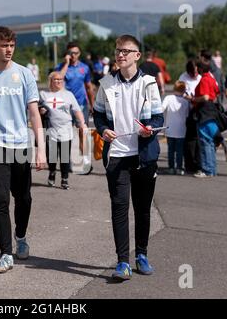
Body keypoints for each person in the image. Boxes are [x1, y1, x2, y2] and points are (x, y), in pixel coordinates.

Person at [0, 26, 46, 273]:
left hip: (21, 144)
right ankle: (5, 253)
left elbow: (34, 113)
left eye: (12, 45)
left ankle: (21, 236)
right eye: (4, 45)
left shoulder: (24, 74)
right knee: (0, 201)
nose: (9, 50)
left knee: (23, 198)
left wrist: (41, 148)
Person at [93, 35, 164, 281]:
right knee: (119, 208)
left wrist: (149, 129)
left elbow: (158, 118)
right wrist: (103, 130)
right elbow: (98, 115)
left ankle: (141, 255)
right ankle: (122, 261)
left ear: (137, 55)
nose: (120, 55)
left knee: (143, 209)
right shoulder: (106, 84)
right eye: (117, 51)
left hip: (143, 156)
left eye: (126, 51)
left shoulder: (149, 83)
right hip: (117, 156)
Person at [39, 71, 87, 189]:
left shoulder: (68, 95)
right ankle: (52, 173)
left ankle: (64, 179)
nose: (58, 81)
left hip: (66, 129)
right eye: (55, 79)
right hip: (51, 129)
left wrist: (82, 123)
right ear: (51, 81)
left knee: (65, 157)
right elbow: (36, 108)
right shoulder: (43, 94)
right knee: (52, 156)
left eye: (60, 79)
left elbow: (76, 110)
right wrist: (41, 110)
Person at [56, 42, 95, 172]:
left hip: (81, 104)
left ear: (79, 54)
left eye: (76, 53)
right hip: (65, 106)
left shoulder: (84, 68)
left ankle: (85, 159)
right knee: (67, 135)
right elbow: (59, 80)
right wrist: (66, 64)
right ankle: (69, 161)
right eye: (71, 53)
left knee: (82, 132)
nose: (73, 55)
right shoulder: (60, 67)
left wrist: (92, 104)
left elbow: (89, 87)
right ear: (67, 54)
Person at [192, 60, 220, 178]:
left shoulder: (204, 79)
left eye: (197, 68)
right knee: (210, 142)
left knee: (205, 141)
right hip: (212, 110)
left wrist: (193, 99)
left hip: (204, 111)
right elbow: (216, 93)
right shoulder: (212, 78)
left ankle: (207, 170)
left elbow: (205, 96)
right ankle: (212, 169)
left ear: (200, 69)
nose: (196, 70)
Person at [162, 81, 190, 175]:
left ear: (174, 89)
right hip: (181, 130)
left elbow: (162, 108)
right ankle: (179, 168)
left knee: (170, 150)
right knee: (179, 151)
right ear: (184, 90)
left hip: (170, 129)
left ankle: (171, 167)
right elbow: (187, 115)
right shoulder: (186, 102)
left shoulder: (168, 98)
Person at [179, 59, 203, 173]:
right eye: (193, 73)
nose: (195, 75)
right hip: (186, 110)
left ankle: (198, 164)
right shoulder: (183, 77)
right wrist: (186, 96)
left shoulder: (202, 76)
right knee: (189, 139)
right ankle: (189, 164)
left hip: (199, 110)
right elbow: (178, 90)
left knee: (198, 139)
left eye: (196, 72)